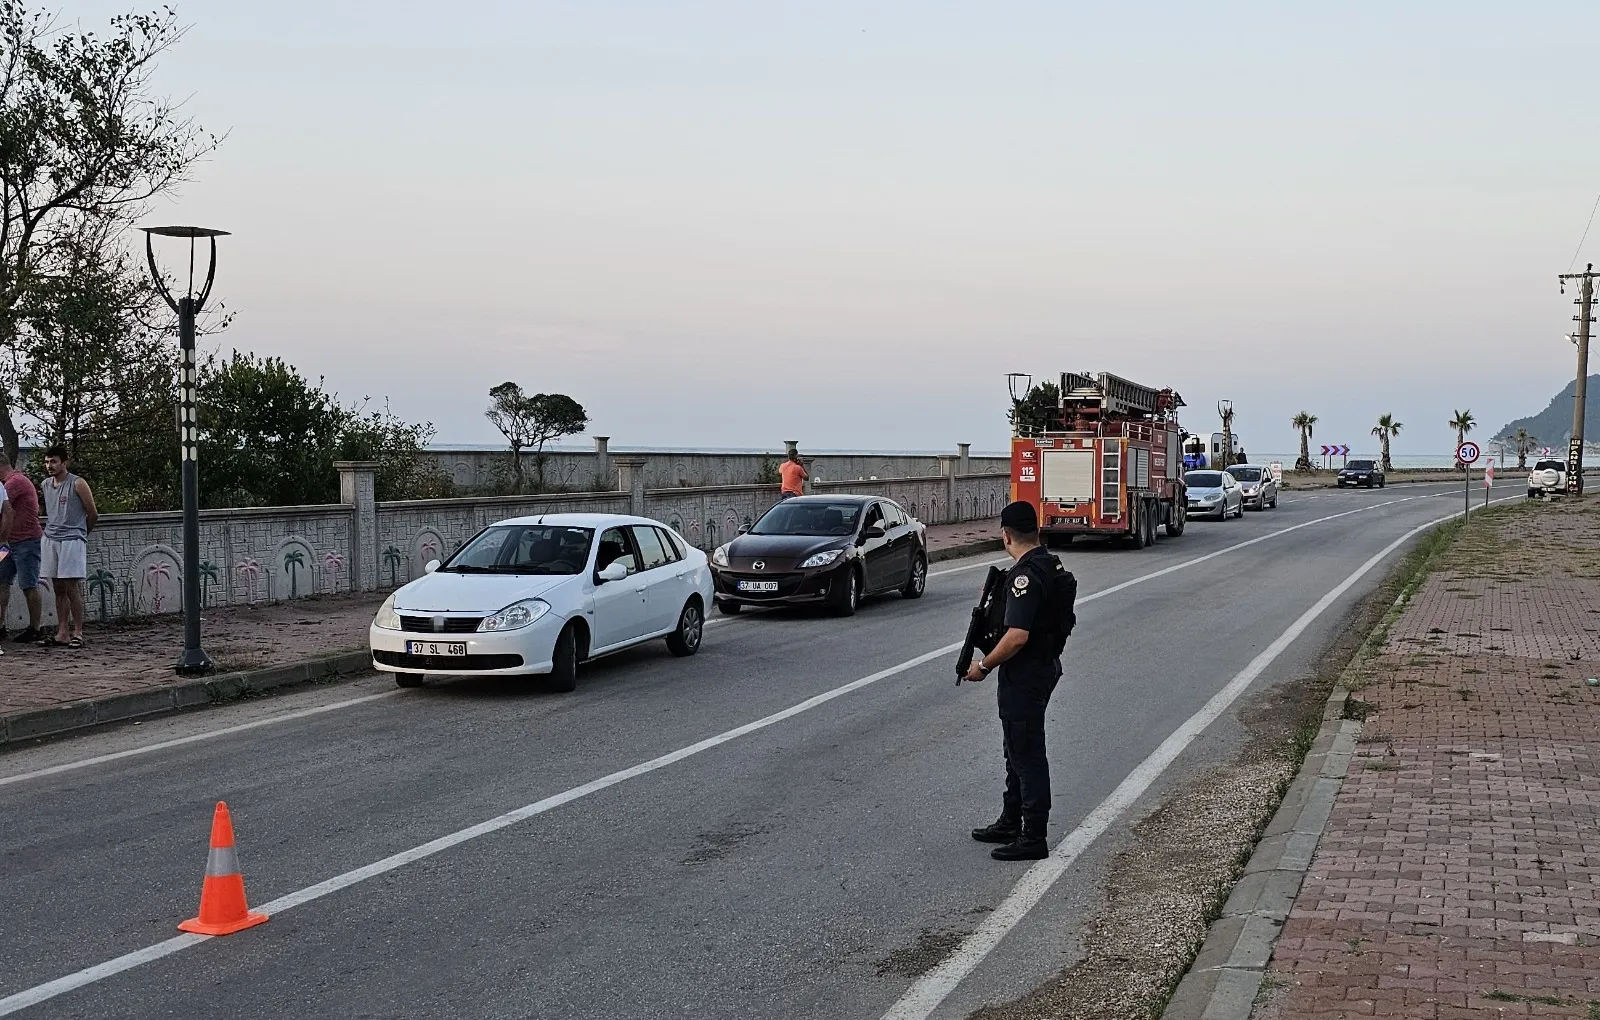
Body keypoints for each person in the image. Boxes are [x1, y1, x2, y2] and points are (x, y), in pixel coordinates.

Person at [962, 500, 1075, 861]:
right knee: (1015, 748)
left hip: (1026, 671)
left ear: (1005, 536)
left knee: (1026, 754)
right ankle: (1011, 820)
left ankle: (1033, 836)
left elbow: (1017, 636)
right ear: (1037, 531)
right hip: (1041, 666)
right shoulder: (1049, 564)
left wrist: (985, 665)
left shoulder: (1025, 576)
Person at [38, 446, 97, 649]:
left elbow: (92, 513)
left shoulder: (77, 483)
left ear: (64, 462)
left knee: (72, 586)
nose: (49, 466)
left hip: (72, 539)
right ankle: (61, 631)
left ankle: (78, 632)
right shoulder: (46, 484)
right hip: (51, 538)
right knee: (58, 587)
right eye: (47, 462)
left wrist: (81, 534)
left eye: (53, 461)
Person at [0, 454, 45, 644]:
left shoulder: (14, 483)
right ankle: (0, 626)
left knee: (28, 584)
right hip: (7, 544)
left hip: (25, 541)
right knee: (1, 581)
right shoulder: (11, 482)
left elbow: (5, 510)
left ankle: (35, 628)